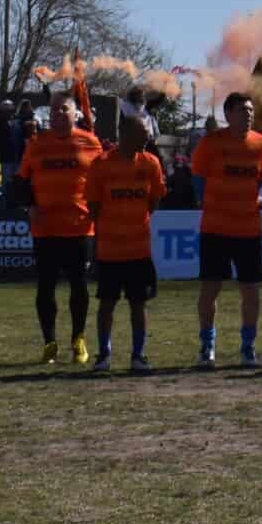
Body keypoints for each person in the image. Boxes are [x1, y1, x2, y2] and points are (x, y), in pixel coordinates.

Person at [19, 92, 105, 365]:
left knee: (79, 287)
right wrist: (31, 206)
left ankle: (78, 339)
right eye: (53, 110)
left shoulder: (90, 143)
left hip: (80, 228)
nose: (57, 114)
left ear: (75, 113)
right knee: (45, 288)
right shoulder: (36, 144)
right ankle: (50, 342)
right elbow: (22, 181)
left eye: (64, 109)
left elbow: (102, 180)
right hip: (45, 229)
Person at [191, 91, 262, 368]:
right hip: (215, 228)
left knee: (250, 291)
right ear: (228, 114)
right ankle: (207, 345)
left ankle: (248, 346)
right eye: (242, 110)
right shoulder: (211, 143)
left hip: (248, 229)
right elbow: (198, 177)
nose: (249, 114)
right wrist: (206, 199)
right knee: (210, 289)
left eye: (250, 110)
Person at [86, 111, 167, 372]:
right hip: (109, 250)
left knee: (138, 303)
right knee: (106, 303)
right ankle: (103, 354)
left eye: (147, 133)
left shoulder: (151, 163)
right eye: (141, 133)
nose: (146, 137)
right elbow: (93, 205)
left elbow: (154, 201)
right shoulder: (101, 164)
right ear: (125, 134)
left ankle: (138, 354)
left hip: (139, 250)